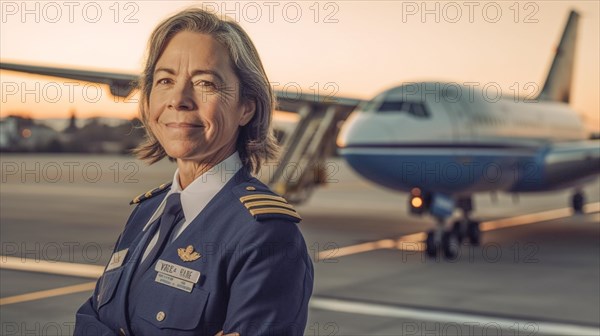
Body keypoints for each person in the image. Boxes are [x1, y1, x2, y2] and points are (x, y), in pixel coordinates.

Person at [74, 7, 314, 336]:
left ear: (246, 106)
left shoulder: (266, 237)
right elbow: (89, 319)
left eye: (205, 83)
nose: (179, 100)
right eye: (165, 80)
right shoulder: (147, 212)